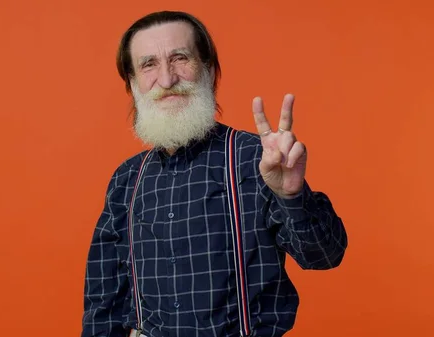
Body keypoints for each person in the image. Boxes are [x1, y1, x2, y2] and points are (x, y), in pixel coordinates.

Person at [81, 10, 348, 337]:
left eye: (180, 58)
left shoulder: (256, 158)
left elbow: (324, 255)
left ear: (208, 69)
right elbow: (103, 301)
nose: (166, 80)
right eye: (149, 64)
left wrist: (290, 195)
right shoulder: (126, 180)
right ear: (133, 83)